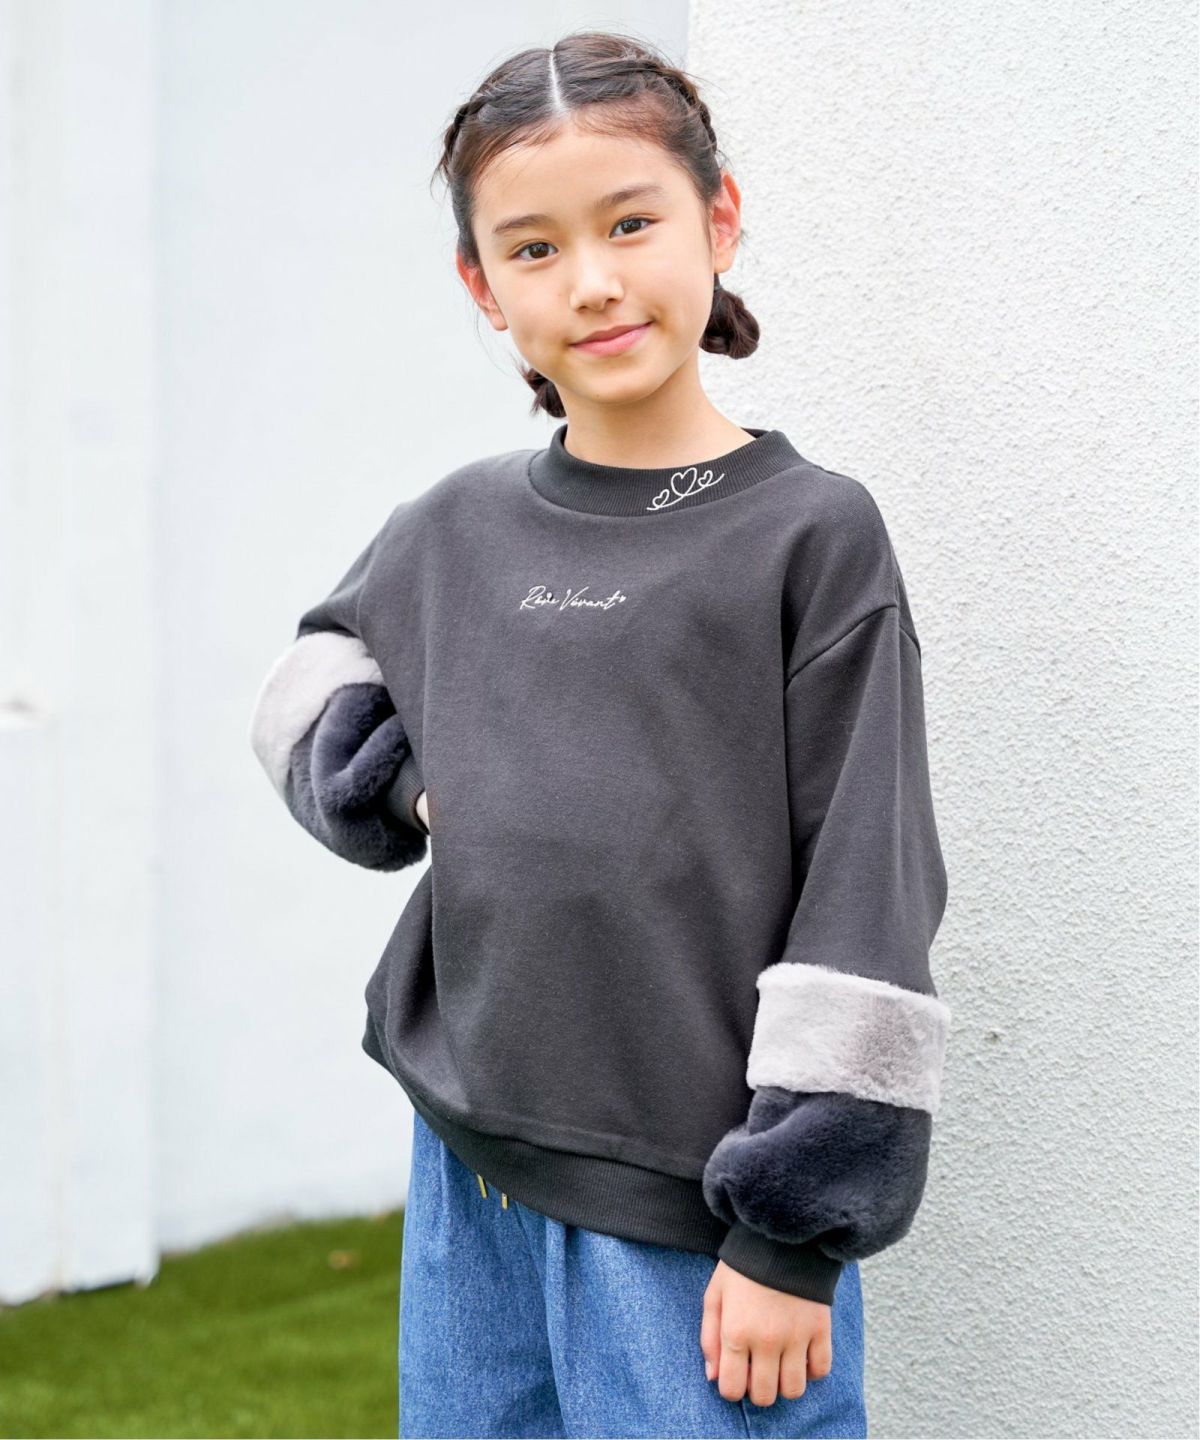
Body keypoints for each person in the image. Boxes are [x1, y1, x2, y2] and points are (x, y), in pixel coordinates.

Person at [248, 29, 951, 1440]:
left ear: (719, 220)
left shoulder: (809, 536)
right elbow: (305, 684)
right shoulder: (452, 527)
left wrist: (792, 1233)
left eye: (632, 223)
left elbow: (869, 888)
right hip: (474, 1166)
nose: (593, 280)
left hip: (700, 1206)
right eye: (535, 248)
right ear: (483, 286)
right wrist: (409, 789)